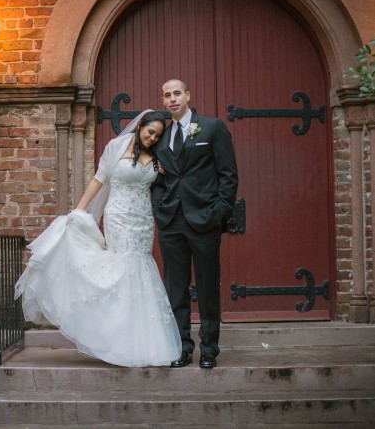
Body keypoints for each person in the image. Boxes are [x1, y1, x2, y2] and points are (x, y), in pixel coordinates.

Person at [14, 110, 182, 367]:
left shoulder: (159, 155)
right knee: (122, 268)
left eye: (158, 136)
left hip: (143, 220)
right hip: (119, 217)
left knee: (140, 267)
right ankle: (114, 336)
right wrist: (79, 210)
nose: (153, 138)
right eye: (150, 132)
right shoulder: (116, 146)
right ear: (139, 127)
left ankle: (141, 340)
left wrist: (164, 169)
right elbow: (98, 180)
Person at [152, 79, 239, 369]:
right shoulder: (161, 136)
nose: (172, 99)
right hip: (171, 223)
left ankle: (210, 349)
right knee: (175, 288)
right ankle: (182, 347)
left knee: (207, 288)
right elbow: (160, 178)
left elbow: (228, 174)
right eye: (167, 95)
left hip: (204, 220)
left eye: (177, 93)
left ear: (188, 96)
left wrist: (219, 212)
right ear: (163, 101)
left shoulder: (212, 128)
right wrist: (159, 206)